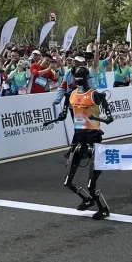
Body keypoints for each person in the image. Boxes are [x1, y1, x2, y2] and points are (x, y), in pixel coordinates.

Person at [46, 66, 114, 219]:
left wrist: (100, 118)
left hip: (93, 138)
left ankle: (103, 208)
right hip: (78, 138)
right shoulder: (71, 94)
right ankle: (87, 199)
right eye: (76, 76)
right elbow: (64, 114)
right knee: (67, 181)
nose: (78, 79)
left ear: (86, 78)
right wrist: (56, 118)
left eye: (80, 76)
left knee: (91, 183)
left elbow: (109, 117)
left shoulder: (95, 95)